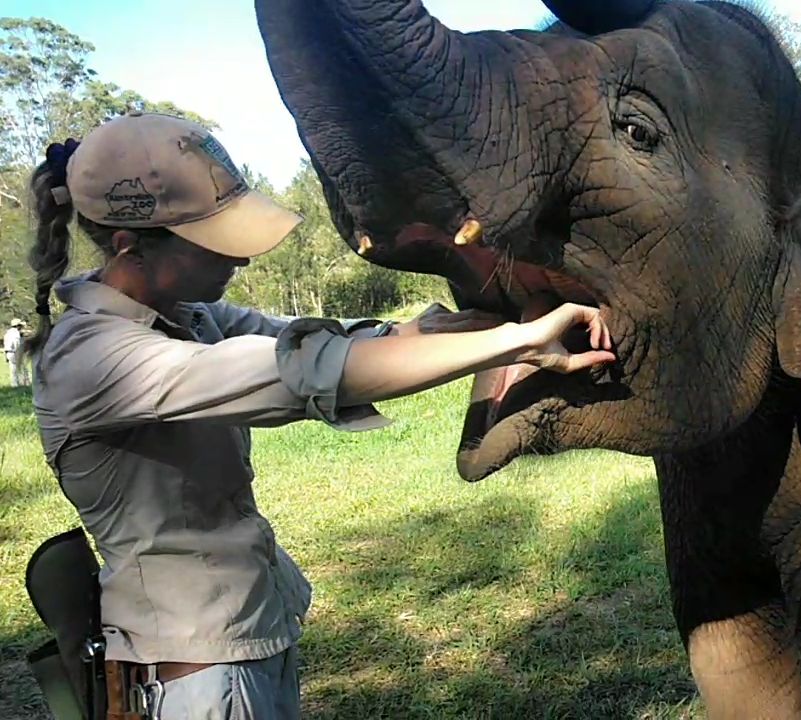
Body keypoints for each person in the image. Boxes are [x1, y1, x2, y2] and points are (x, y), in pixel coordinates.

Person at [23, 112, 614, 719]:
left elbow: (319, 340)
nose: (242, 260)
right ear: (130, 247)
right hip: (188, 677)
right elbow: (298, 373)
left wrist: (439, 326)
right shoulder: (94, 358)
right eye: (215, 239)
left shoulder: (188, 316)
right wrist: (517, 343)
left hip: (241, 644)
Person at [4, 318, 29, 386]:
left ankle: (14, 384)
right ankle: (25, 383)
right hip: (15, 352)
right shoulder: (16, 333)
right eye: (20, 325)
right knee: (23, 368)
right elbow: (17, 344)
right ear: (18, 326)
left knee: (13, 370)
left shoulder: (8, 333)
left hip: (9, 352)